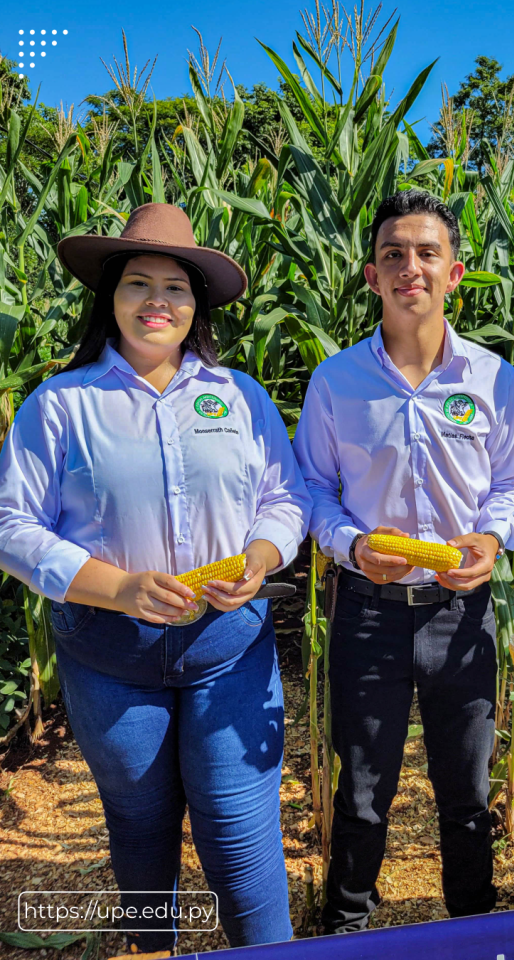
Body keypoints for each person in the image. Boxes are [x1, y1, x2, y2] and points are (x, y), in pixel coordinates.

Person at [0, 203, 312, 952]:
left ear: (195, 305)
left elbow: (286, 498)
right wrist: (119, 588)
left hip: (226, 646)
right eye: (138, 283)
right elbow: (12, 526)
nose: (157, 301)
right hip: (110, 652)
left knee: (238, 830)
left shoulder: (239, 397)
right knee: (140, 826)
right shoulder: (61, 405)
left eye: (175, 286)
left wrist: (261, 559)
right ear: (110, 297)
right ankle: (153, 947)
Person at [293, 189, 514, 933]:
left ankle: (474, 925)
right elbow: (312, 489)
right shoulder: (336, 381)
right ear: (371, 275)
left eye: (427, 253)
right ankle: (348, 925)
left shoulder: (491, 378)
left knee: (466, 791)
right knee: (362, 791)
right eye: (393, 254)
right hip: (367, 611)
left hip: (463, 615)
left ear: (455, 273)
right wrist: (352, 547)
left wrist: (492, 541)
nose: (410, 268)